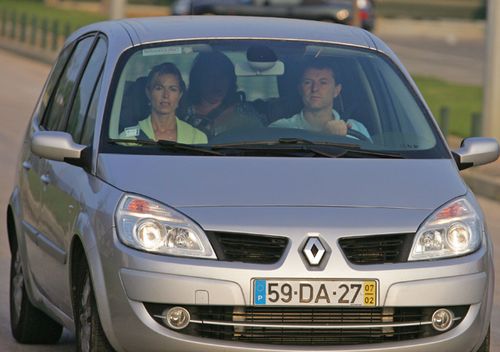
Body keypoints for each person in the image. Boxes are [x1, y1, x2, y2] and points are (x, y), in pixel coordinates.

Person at [269, 58, 371, 141]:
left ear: (336, 90)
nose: (315, 89)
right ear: (300, 89)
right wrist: (324, 136)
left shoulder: (356, 129)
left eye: (323, 83)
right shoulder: (280, 129)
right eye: (308, 82)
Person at [179, 51, 263, 136]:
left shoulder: (245, 114)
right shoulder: (181, 112)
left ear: (231, 80)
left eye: (223, 76)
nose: (217, 82)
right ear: (198, 79)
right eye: (211, 76)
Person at [121, 62, 207, 144]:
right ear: (148, 93)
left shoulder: (197, 138)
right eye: (159, 88)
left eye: (173, 89)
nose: (166, 95)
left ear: (180, 95)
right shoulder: (128, 139)